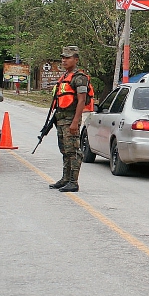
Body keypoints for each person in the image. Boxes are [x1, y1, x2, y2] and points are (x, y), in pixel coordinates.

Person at [49, 46, 92, 193]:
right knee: (65, 150)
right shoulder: (65, 77)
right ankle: (65, 179)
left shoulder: (79, 78)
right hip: (61, 120)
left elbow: (81, 100)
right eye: (63, 57)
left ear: (76, 59)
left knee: (73, 151)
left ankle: (73, 182)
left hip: (70, 120)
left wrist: (75, 121)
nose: (64, 60)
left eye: (68, 57)